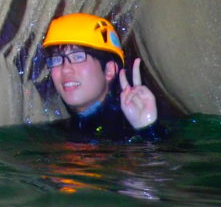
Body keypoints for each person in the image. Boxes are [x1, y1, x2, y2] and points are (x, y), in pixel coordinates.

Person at [42, 13, 164, 142]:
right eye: (56, 59)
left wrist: (148, 130)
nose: (65, 68)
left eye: (78, 57)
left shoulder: (126, 129)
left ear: (109, 70)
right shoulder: (56, 132)